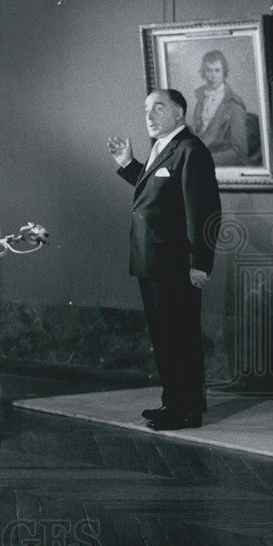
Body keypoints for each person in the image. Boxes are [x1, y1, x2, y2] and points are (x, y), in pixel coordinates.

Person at [108, 89, 222, 430]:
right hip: (153, 262)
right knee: (165, 336)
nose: (149, 114)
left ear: (179, 115)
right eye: (146, 108)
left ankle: (187, 411)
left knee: (180, 337)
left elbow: (203, 211)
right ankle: (174, 402)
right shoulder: (162, 147)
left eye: (158, 107)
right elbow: (155, 192)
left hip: (176, 265)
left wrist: (200, 262)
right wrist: (129, 165)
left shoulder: (190, 150)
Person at [185, 50, 249, 166]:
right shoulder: (201, 98)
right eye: (209, 70)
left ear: (224, 72)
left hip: (221, 166)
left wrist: (205, 160)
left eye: (217, 70)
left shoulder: (234, 105)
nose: (213, 75)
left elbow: (240, 151)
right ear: (203, 73)